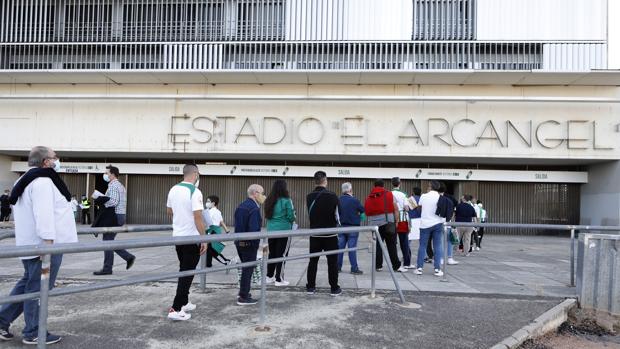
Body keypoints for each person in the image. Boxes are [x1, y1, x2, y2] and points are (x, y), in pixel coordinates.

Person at [0, 146, 77, 345]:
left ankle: (1, 321)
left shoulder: (24, 179)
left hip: (30, 243)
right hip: (43, 245)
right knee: (38, 288)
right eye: (54, 157)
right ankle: (33, 332)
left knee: (28, 285)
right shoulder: (43, 181)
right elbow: (43, 215)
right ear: (45, 162)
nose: (57, 160)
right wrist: (47, 245)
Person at [165, 164, 207, 321]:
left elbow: (169, 211)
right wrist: (204, 239)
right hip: (191, 237)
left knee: (185, 269)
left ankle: (184, 301)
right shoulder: (195, 191)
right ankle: (175, 308)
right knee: (187, 272)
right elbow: (198, 217)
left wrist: (181, 213)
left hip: (178, 236)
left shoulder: (173, 189)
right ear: (195, 174)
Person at [93, 165, 136, 275]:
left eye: (106, 173)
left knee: (107, 242)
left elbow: (113, 202)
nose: (105, 175)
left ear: (112, 174)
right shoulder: (119, 185)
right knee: (108, 241)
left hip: (114, 216)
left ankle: (108, 268)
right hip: (119, 216)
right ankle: (127, 258)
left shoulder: (113, 186)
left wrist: (100, 199)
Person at [306, 171, 342, 296]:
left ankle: (310, 287)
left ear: (315, 181)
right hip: (330, 234)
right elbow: (338, 215)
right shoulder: (332, 195)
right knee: (332, 261)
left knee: (313, 261)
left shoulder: (309, 196)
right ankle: (334, 288)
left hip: (315, 234)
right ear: (325, 180)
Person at [234, 184, 265, 305]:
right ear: (255, 193)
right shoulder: (253, 208)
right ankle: (243, 296)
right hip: (249, 243)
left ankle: (243, 291)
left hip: (239, 242)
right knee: (248, 269)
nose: (263, 196)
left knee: (245, 268)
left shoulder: (241, 206)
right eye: (262, 193)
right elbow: (254, 229)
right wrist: (257, 243)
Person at [365, 179, 404, 273]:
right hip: (388, 223)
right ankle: (396, 266)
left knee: (378, 245)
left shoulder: (370, 196)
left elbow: (367, 211)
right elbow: (395, 208)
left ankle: (378, 266)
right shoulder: (389, 194)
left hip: (374, 225)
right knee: (391, 245)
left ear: (374, 186)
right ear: (383, 186)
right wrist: (397, 221)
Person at [264, 179, 296, 286]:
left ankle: (269, 276)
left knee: (272, 253)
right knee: (281, 254)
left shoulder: (269, 200)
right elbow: (291, 216)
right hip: (284, 231)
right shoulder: (287, 200)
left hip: (271, 231)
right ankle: (279, 279)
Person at [414, 180, 444, 276]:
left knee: (422, 246)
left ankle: (419, 268)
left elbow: (419, 208)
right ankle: (437, 269)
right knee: (437, 246)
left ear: (430, 186)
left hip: (425, 224)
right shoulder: (441, 197)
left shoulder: (423, 196)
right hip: (438, 223)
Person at [337, 182, 365, 275]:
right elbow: (363, 212)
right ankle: (354, 268)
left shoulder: (338, 200)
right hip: (353, 228)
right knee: (352, 249)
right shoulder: (355, 200)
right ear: (350, 190)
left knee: (340, 249)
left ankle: (337, 267)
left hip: (341, 227)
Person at [391, 177, 413, 270]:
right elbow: (407, 208)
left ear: (392, 184)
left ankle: (394, 263)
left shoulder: (389, 193)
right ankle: (406, 263)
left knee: (392, 243)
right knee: (404, 242)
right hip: (402, 219)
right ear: (399, 183)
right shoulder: (403, 194)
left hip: (392, 219)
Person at [204, 195, 231, 268]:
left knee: (211, 249)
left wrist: (227, 230)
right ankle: (208, 264)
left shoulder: (211, 211)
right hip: (212, 230)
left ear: (213, 203)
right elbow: (221, 221)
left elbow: (209, 222)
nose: (206, 203)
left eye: (208, 201)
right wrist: (227, 230)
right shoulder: (216, 211)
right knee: (210, 249)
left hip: (213, 231)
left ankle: (225, 261)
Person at [407, 187, 422, 266]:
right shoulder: (422, 199)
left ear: (413, 192)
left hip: (412, 220)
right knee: (422, 240)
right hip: (421, 221)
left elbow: (407, 209)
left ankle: (406, 255)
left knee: (408, 239)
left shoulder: (410, 199)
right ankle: (424, 256)